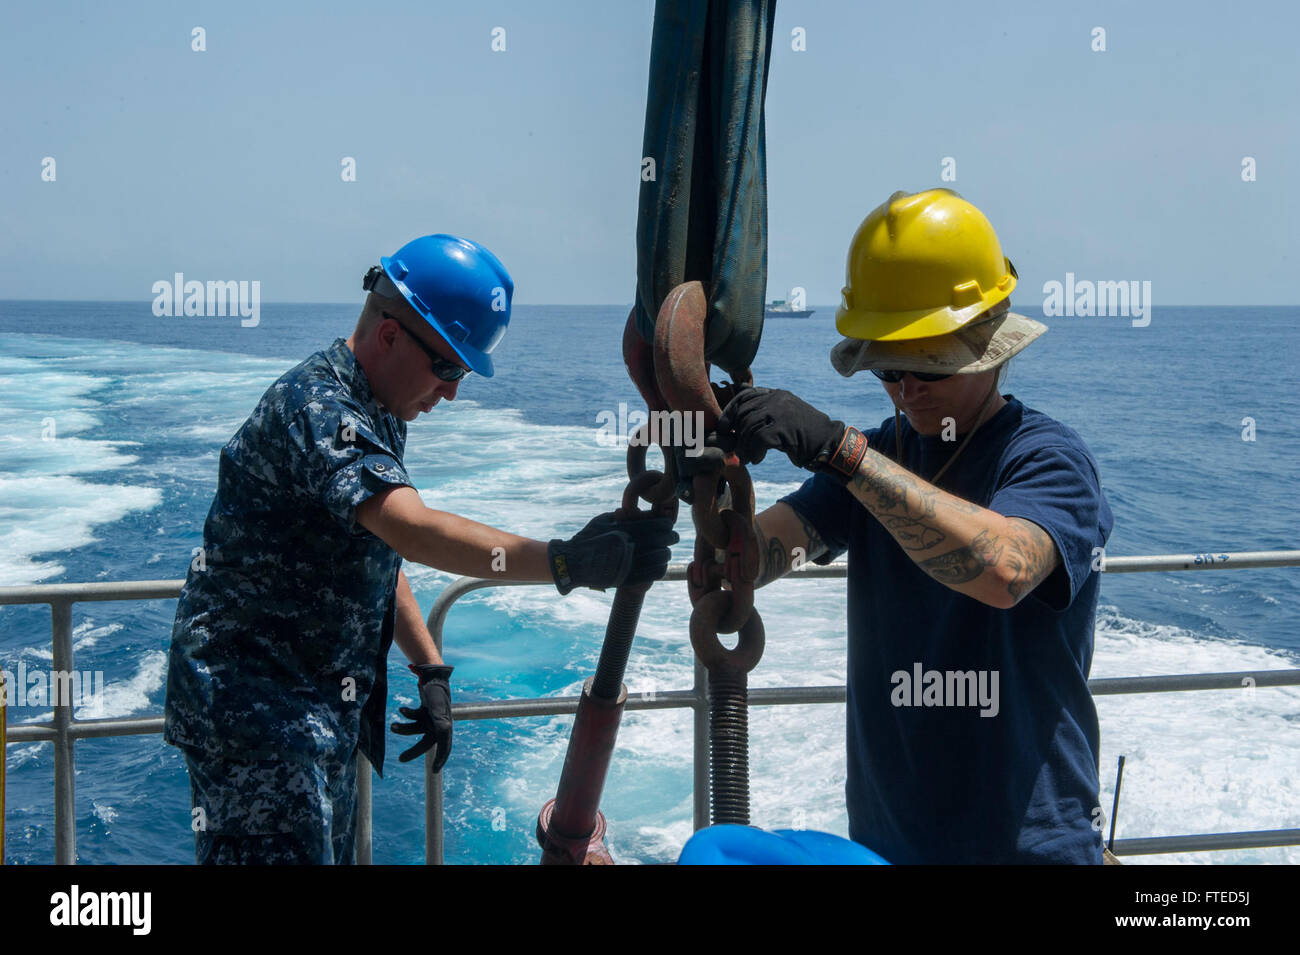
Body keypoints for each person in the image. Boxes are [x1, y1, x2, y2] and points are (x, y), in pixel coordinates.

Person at [163, 233, 677, 865]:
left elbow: (379, 551)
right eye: (449, 367)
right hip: (256, 721)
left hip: (315, 712)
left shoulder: (379, 411)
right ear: (390, 336)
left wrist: (428, 666)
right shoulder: (320, 409)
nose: (454, 392)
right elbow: (411, 527)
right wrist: (566, 562)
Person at [713, 190, 1114, 864]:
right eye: (888, 369)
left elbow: (1003, 569)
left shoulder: (1049, 459)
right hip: (888, 841)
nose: (906, 390)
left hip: (1026, 847)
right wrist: (706, 477)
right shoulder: (881, 456)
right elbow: (757, 555)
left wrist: (842, 453)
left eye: (927, 366)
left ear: (988, 341)